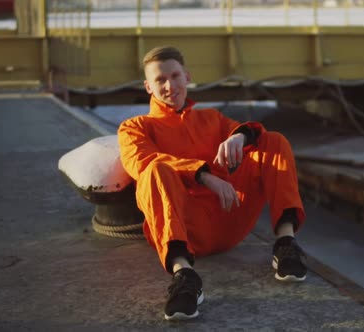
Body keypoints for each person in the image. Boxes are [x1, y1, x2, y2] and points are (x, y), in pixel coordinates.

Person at [117, 46, 307, 321]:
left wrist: (238, 137)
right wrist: (205, 176)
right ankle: (184, 276)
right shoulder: (134, 127)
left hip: (230, 216)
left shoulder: (212, 119)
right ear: (148, 86)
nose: (170, 85)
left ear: (187, 77)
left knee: (273, 141)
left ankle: (286, 243)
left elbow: (253, 134)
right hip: (186, 228)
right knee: (154, 169)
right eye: (160, 80)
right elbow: (141, 162)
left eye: (175, 76)